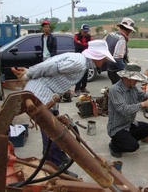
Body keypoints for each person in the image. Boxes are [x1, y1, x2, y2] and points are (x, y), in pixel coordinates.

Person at [11, 40, 115, 173]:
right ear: (98, 56)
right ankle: (54, 165)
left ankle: (56, 156)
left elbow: (52, 67)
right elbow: (50, 67)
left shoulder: (79, 59)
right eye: (104, 58)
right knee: (51, 131)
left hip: (46, 94)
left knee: (56, 127)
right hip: (39, 95)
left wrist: (64, 89)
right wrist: (28, 74)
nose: (104, 61)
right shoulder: (79, 63)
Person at [107, 62, 148, 158]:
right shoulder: (115, 90)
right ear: (126, 77)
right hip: (117, 128)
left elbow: (143, 96)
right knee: (133, 146)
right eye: (134, 79)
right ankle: (114, 144)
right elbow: (123, 109)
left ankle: (126, 138)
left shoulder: (133, 87)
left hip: (130, 124)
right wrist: (143, 104)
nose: (136, 82)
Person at [105, 17, 136, 84]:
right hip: (117, 71)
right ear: (129, 30)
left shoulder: (110, 35)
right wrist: (127, 70)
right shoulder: (121, 39)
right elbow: (117, 59)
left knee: (115, 88)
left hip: (109, 69)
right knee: (121, 91)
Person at [73, 24, 93, 96]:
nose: (85, 33)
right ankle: (77, 89)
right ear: (81, 30)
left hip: (87, 56)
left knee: (86, 73)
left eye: (87, 31)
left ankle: (83, 87)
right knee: (79, 73)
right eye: (84, 31)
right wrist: (85, 45)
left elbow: (91, 45)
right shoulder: (76, 36)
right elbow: (77, 46)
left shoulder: (89, 37)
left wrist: (82, 44)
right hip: (79, 56)